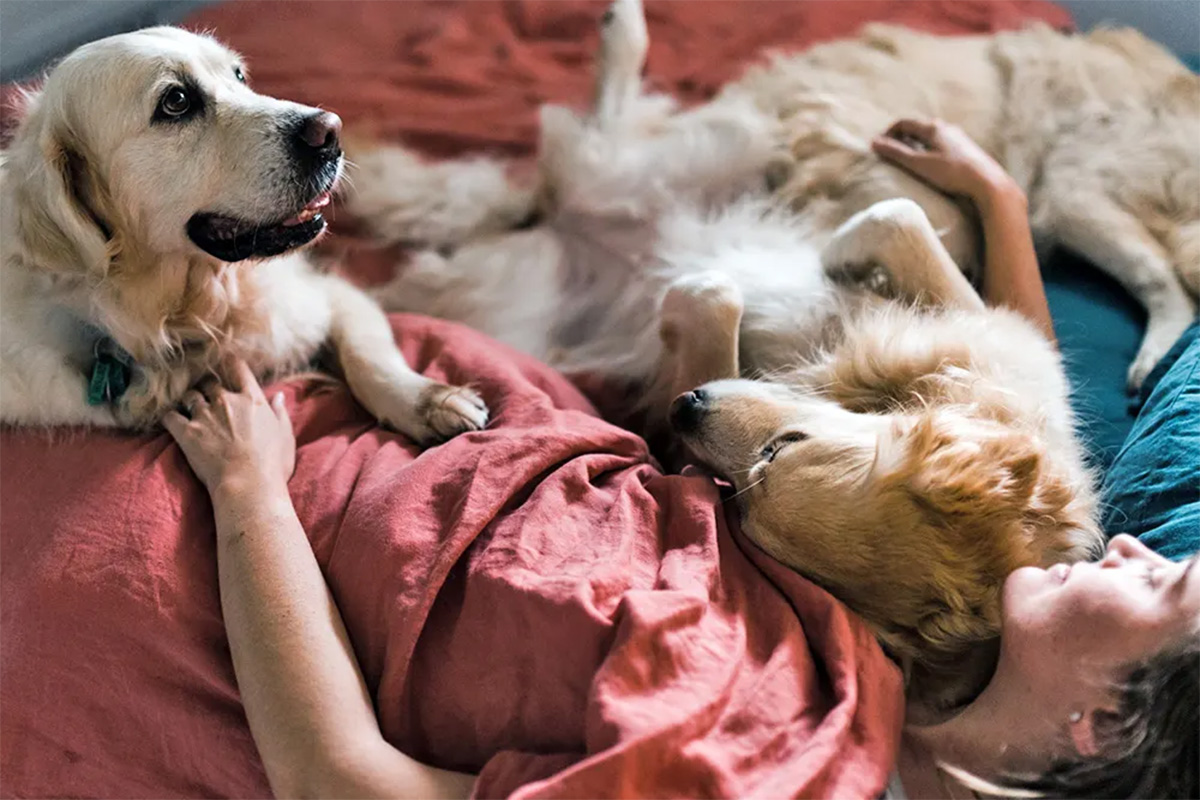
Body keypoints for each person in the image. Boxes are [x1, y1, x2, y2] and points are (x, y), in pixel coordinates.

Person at [165, 120, 1199, 799]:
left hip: (341, 490)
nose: (1134, 548)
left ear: (1104, 722)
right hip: (498, 403)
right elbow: (1027, 400)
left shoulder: (779, 762)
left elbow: (343, 782)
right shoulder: (1018, 593)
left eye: (1166, 583)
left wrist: (248, 494)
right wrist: (999, 201)